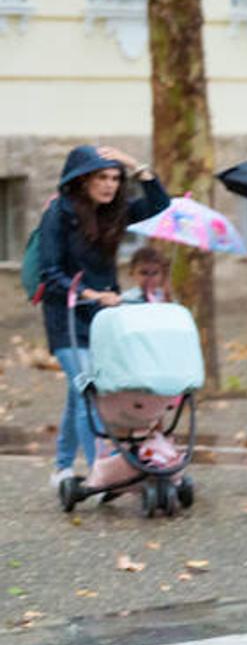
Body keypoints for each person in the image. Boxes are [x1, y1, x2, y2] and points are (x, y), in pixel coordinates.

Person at [37, 145, 171, 490]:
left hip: (104, 321)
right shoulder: (59, 213)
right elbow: (49, 273)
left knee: (78, 391)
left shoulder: (115, 213)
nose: (110, 185)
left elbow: (160, 204)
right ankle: (101, 473)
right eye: (102, 177)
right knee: (89, 394)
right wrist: (91, 294)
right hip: (66, 316)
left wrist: (136, 165)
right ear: (83, 181)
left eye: (115, 178)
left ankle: (62, 468)